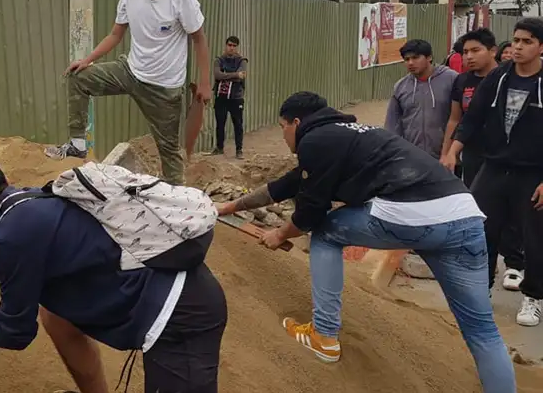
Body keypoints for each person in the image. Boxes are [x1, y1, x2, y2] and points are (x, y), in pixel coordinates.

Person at [217, 91, 515, 392]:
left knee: (326, 232)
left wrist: (278, 234)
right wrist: (232, 207)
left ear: (296, 122)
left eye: (282, 127)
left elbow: (310, 213)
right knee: (482, 330)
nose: (283, 136)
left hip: (411, 213)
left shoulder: (315, 140)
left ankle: (324, 336)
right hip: (464, 215)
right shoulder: (348, 135)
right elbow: (289, 184)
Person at [0, 154, 227, 393]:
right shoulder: (36, 200)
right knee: (56, 316)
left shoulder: (9, 237)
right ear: (5, 181)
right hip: (182, 290)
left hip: (178, 316)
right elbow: (34, 262)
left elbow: (16, 333)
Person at [45, 0, 212, 185]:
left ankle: (176, 201)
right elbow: (116, 34)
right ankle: (78, 144)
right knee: (78, 78)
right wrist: (87, 60)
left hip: (164, 89)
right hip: (130, 71)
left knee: (169, 151)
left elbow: (199, 39)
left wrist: (205, 83)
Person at [443, 17, 543, 327]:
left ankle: (533, 297)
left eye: (527, 41)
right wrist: (452, 152)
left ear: (541, 47)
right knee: (478, 226)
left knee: (535, 236)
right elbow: (471, 119)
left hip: (533, 172)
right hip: (495, 165)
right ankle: (479, 290)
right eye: (516, 40)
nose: (518, 46)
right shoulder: (499, 77)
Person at [440, 28, 525, 291]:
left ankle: (514, 263)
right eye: (465, 52)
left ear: (492, 51)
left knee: (514, 211)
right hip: (476, 154)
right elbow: (460, 119)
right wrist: (448, 152)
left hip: (512, 156)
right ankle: (482, 274)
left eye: (475, 50)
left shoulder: (510, 78)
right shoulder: (463, 81)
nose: (469, 57)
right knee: (480, 211)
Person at [385, 38, 457, 158]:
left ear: (429, 57)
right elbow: (392, 124)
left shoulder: (452, 79)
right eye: (407, 59)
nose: (410, 63)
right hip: (413, 157)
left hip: (446, 155)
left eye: (415, 57)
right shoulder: (401, 86)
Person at [211, 36, 248, 159]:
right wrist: (235, 75)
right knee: (220, 123)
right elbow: (217, 75)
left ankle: (239, 150)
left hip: (236, 98)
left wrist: (225, 75)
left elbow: (242, 76)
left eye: (234, 46)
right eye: (229, 45)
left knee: (238, 124)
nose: (231, 48)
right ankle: (219, 148)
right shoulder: (219, 60)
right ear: (226, 45)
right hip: (221, 97)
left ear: (237, 47)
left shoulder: (242, 61)